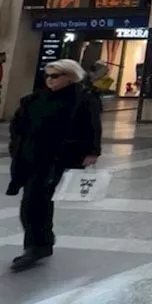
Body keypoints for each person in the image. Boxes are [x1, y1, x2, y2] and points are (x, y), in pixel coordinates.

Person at [6, 59, 102, 271]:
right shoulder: (35, 99)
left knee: (34, 200)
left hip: (57, 159)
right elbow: (18, 125)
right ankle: (43, 242)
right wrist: (16, 147)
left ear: (70, 77)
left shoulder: (82, 99)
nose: (50, 80)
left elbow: (92, 127)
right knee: (37, 200)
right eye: (48, 75)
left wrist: (91, 152)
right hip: (30, 157)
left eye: (55, 76)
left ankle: (35, 246)